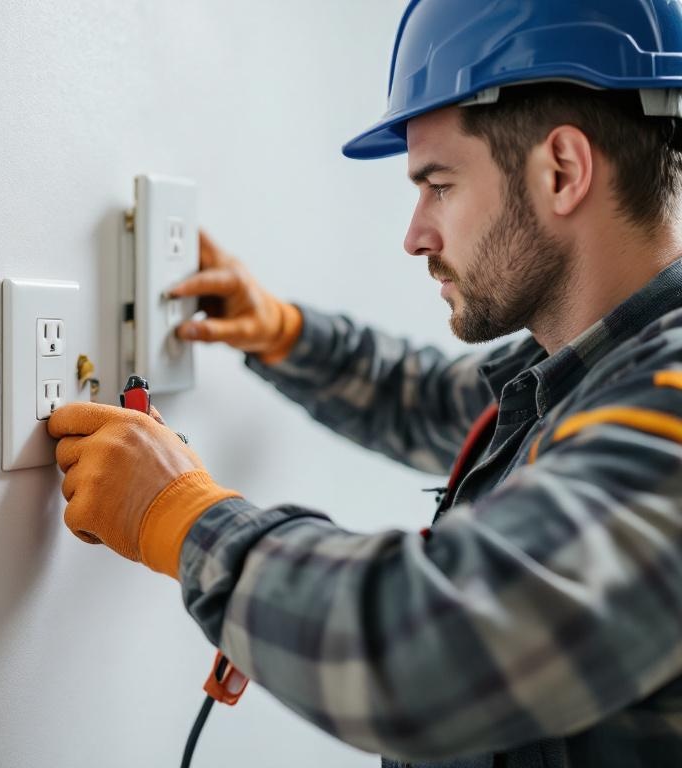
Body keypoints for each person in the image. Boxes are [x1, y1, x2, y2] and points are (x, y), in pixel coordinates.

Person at [47, 1, 682, 765]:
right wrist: (282, 331)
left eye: (438, 184)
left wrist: (179, 516)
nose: (415, 233)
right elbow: (429, 403)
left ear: (562, 171)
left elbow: (437, 652)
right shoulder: (583, 373)